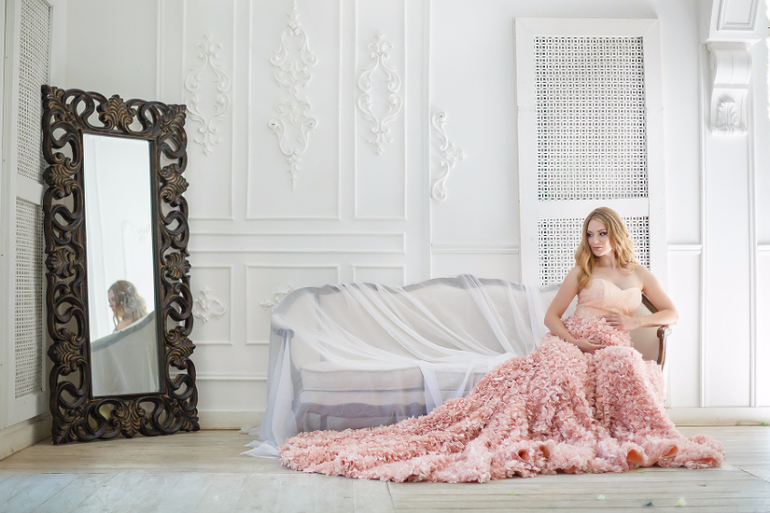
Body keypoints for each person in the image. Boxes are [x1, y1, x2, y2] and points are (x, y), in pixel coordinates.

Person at [276, 207, 724, 482]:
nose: (595, 241)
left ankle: (628, 433)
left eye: (601, 233)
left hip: (613, 343)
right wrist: (573, 340)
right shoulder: (583, 271)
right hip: (572, 339)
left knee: (624, 365)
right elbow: (552, 317)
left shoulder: (639, 274)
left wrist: (633, 320)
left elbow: (671, 313)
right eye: (589, 234)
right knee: (558, 372)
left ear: (616, 234)